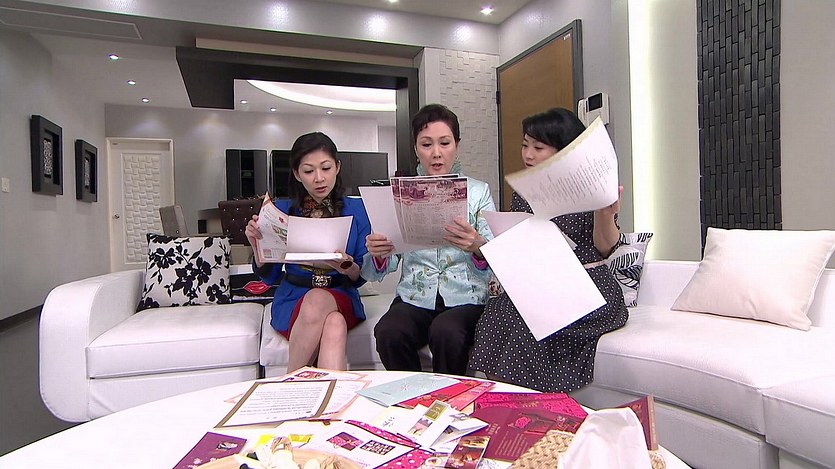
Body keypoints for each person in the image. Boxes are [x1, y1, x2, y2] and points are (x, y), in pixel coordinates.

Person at [468, 107, 628, 392]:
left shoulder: (590, 186)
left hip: (588, 287)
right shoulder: (524, 194)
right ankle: (498, 393)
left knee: (531, 321)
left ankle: (532, 400)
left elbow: (606, 248)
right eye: (525, 145)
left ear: (563, 150)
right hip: (545, 282)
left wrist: (606, 213)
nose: (528, 155)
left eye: (538, 148)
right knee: (499, 310)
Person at [362, 104, 496, 376]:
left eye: (444, 143)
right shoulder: (401, 194)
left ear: (456, 145)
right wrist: (380, 252)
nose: (436, 153)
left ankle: (449, 397)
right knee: (389, 331)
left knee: (446, 331)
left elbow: (497, 256)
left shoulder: (478, 192)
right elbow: (379, 268)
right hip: (415, 296)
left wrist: (477, 246)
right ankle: (413, 395)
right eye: (426, 144)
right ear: (416, 148)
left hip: (466, 297)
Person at [245, 131, 371, 372]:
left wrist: (347, 266)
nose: (319, 178)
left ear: (337, 167)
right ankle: (327, 397)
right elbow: (270, 276)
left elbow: (360, 277)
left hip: (341, 294)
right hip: (293, 298)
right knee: (334, 324)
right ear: (297, 174)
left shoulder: (357, 209)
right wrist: (256, 244)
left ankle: (289, 382)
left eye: (326, 168)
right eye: (309, 171)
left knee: (318, 300)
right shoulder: (281, 210)